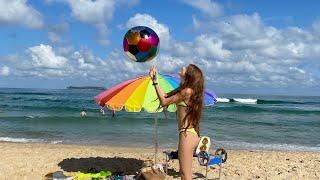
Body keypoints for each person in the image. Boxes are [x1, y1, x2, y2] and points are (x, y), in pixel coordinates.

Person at [149, 64, 204, 180]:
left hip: (186, 135)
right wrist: (155, 80)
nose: (180, 71)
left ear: (189, 74)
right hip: (192, 133)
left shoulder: (186, 91)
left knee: (185, 175)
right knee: (186, 174)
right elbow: (165, 96)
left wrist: (155, 82)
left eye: (183, 70)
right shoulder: (188, 91)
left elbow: (164, 102)